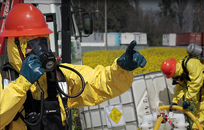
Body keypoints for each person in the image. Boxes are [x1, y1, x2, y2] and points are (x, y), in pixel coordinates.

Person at [0, 3, 147, 130]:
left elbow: (98, 83)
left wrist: (121, 70)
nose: (39, 50)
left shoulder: (61, 76)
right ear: (15, 46)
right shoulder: (4, 81)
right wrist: (22, 84)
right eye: (30, 44)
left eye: (42, 42)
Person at [161, 55, 204, 130]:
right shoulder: (181, 71)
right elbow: (180, 87)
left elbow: (196, 83)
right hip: (202, 83)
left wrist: (187, 99)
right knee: (200, 108)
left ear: (173, 72)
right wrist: (175, 100)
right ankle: (198, 128)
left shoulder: (190, 64)